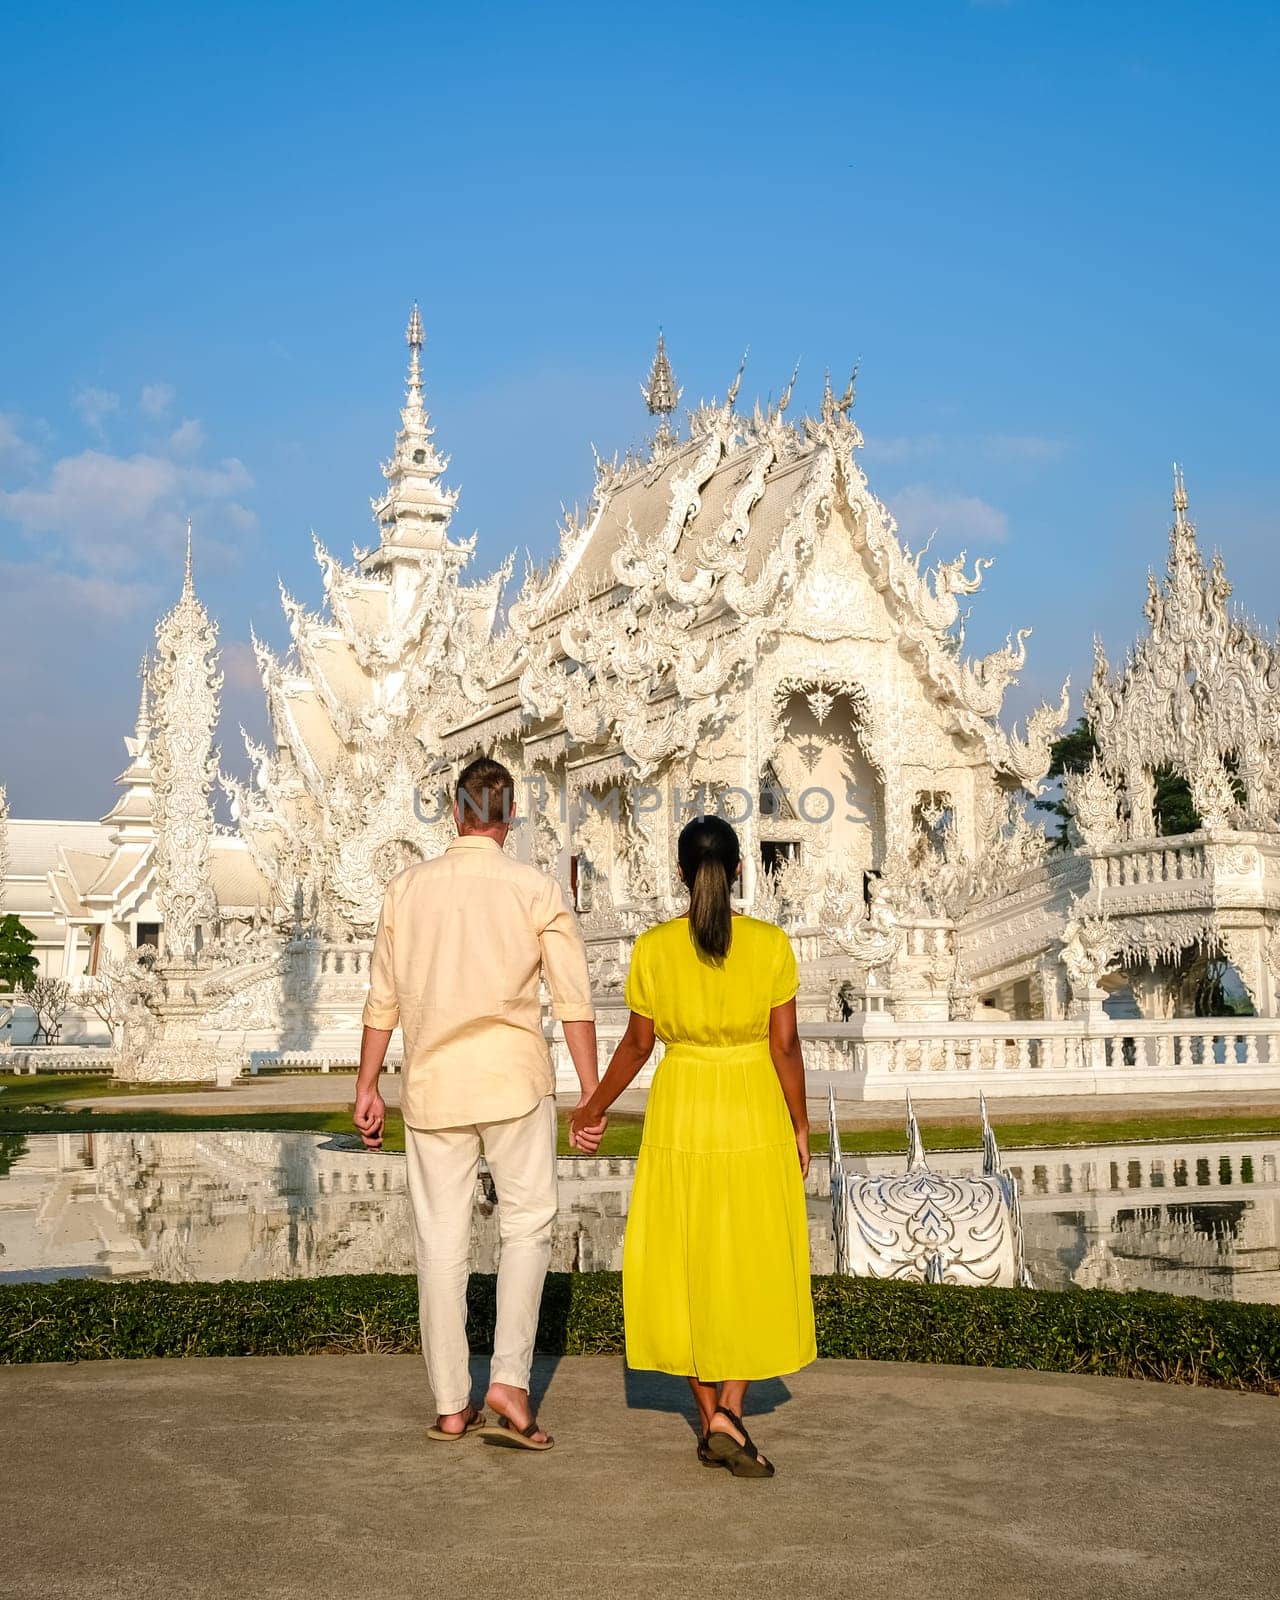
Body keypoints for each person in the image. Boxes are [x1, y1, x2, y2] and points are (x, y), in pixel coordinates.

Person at [355, 756, 606, 1452]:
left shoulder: (406, 890)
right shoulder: (536, 889)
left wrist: (366, 1085)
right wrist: (590, 1095)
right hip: (513, 1082)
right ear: (509, 813)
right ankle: (508, 1382)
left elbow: (383, 998)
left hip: (434, 1085)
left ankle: (448, 1405)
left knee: (440, 1243)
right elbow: (573, 1001)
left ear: (455, 810)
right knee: (525, 1227)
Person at [570, 815, 816, 1479]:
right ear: (741, 869)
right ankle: (728, 1412)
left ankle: (712, 1416)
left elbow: (638, 1045)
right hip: (751, 1106)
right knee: (744, 1255)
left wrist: (592, 1106)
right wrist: (800, 1122)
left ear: (681, 872)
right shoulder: (769, 945)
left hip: (682, 1108)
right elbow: (785, 1046)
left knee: (687, 1256)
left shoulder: (655, 948)